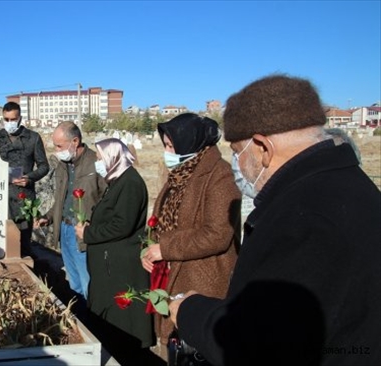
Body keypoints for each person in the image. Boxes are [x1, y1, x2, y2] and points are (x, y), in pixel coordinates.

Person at [169, 74, 381, 366]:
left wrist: (190, 310)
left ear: (262, 148)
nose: (237, 164)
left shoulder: (300, 216)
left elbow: (257, 344)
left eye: (236, 152)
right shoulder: (355, 188)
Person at [140, 113, 240, 361]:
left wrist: (165, 248)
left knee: (193, 351)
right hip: (170, 274)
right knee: (173, 349)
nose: (166, 151)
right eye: (165, 145)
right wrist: (151, 251)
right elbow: (161, 221)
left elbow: (218, 233)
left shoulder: (220, 176)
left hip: (201, 281)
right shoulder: (179, 174)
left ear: (190, 143)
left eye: (170, 146)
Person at [74, 138, 157, 365]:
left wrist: (88, 234)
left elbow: (122, 224)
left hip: (120, 267)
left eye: (100, 158)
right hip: (111, 264)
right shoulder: (118, 181)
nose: (98, 162)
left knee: (123, 324)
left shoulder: (130, 183)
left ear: (114, 157)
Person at [35, 121, 107, 309]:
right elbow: (61, 199)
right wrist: (48, 217)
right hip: (65, 229)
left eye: (59, 145)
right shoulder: (63, 165)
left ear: (75, 141)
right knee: (74, 282)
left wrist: (94, 227)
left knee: (87, 282)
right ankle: (81, 315)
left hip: (83, 233)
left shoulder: (96, 163)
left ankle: (95, 323)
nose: (56, 150)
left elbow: (106, 199)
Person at [0, 102, 49, 257]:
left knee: (23, 244)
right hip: (0, 198)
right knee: (0, 242)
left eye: (13, 119)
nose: (10, 123)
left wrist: (29, 178)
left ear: (20, 118)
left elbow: (44, 166)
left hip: (24, 198)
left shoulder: (33, 138)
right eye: (6, 119)